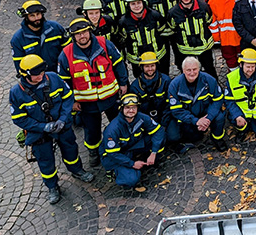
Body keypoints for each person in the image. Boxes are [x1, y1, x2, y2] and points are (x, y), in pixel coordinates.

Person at [10, 55, 94, 204]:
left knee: (71, 150)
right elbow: (19, 118)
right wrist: (43, 127)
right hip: (39, 133)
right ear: (25, 75)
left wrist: (63, 119)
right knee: (45, 160)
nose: (41, 76)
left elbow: (68, 98)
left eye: (42, 72)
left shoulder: (53, 78)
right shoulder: (17, 93)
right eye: (36, 74)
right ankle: (52, 186)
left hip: (62, 126)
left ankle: (77, 170)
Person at [58, 18, 129, 167]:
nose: (82, 36)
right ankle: (93, 152)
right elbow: (63, 83)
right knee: (92, 131)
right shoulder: (65, 55)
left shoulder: (104, 43)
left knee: (119, 123)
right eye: (78, 34)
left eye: (84, 32)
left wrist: (123, 83)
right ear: (73, 36)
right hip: (86, 104)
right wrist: (72, 101)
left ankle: (124, 145)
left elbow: (118, 63)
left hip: (111, 96)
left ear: (90, 31)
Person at [100, 94, 164, 188]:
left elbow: (159, 131)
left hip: (131, 146)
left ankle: (149, 159)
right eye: (127, 107)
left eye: (134, 107)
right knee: (131, 180)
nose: (131, 110)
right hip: (117, 155)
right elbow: (113, 154)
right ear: (121, 109)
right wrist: (132, 164)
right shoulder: (112, 129)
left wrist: (153, 153)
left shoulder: (141, 118)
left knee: (160, 139)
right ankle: (116, 172)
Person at [169, 57, 227, 151]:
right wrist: (196, 121)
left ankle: (217, 138)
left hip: (206, 112)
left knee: (219, 117)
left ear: (199, 69)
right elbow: (176, 110)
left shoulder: (209, 80)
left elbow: (218, 100)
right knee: (194, 137)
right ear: (183, 70)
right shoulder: (175, 85)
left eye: (194, 69)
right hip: (190, 115)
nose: (192, 73)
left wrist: (209, 118)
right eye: (188, 70)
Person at [129, 52, 179, 151]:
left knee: (174, 137)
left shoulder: (165, 80)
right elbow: (136, 111)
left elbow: (170, 104)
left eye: (152, 65)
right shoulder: (135, 86)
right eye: (147, 66)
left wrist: (164, 124)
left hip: (164, 117)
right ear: (142, 67)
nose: (150, 69)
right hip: (148, 121)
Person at [168, 0, 218, 78]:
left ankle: (214, 89)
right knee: (188, 74)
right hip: (185, 50)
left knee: (210, 71)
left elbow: (209, 21)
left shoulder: (204, 7)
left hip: (204, 48)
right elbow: (173, 27)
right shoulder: (173, 13)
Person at [119, 0, 170, 77]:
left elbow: (162, 32)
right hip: (137, 60)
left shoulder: (155, 16)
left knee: (162, 79)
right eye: (133, 4)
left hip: (158, 56)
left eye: (139, 2)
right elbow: (123, 39)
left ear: (144, 2)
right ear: (128, 5)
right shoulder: (124, 22)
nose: (137, 6)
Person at [11, 0, 70, 74]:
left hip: (62, 74)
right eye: (32, 15)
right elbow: (20, 67)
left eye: (38, 14)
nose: (36, 18)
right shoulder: (18, 40)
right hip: (39, 79)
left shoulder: (56, 28)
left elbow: (69, 50)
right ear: (25, 17)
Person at [224, 49, 256, 138]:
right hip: (242, 113)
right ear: (241, 65)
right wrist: (237, 115)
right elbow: (228, 101)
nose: (250, 70)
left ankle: (253, 123)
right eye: (248, 67)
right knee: (235, 120)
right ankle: (242, 130)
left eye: (253, 67)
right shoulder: (232, 78)